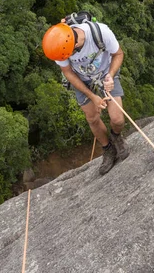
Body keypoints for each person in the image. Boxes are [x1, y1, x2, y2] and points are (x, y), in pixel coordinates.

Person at [42, 20, 130, 175]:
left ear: (74, 45)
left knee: (118, 120)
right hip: (81, 79)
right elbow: (68, 72)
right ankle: (108, 149)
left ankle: (117, 137)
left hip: (105, 72)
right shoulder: (59, 45)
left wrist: (110, 75)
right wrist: (92, 96)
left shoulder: (101, 33)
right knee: (92, 118)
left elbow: (118, 54)